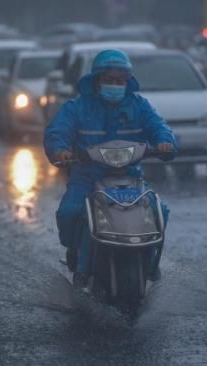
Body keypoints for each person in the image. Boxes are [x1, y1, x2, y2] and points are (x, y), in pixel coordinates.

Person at [43, 49, 176, 286]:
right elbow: (58, 131)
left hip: (130, 176)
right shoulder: (78, 107)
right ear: (97, 81)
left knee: (160, 212)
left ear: (127, 82)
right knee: (70, 213)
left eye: (119, 81)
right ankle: (77, 256)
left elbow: (159, 126)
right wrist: (60, 150)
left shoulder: (139, 106)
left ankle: (151, 263)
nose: (114, 85)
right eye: (109, 80)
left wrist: (164, 142)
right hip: (87, 177)